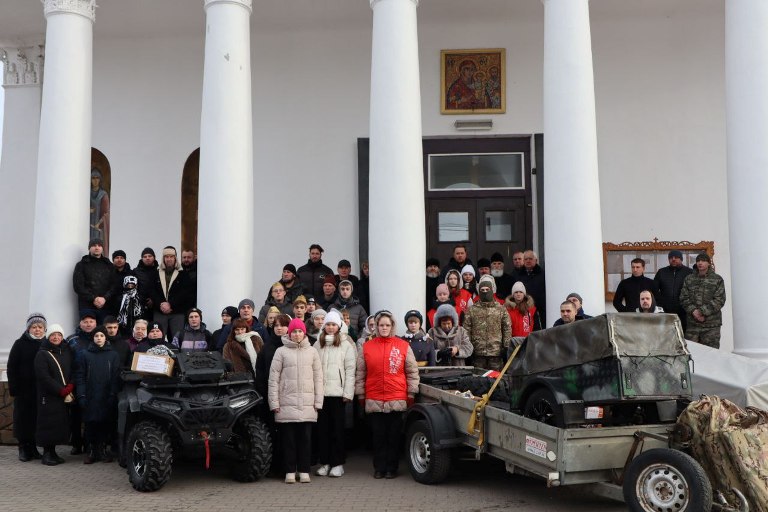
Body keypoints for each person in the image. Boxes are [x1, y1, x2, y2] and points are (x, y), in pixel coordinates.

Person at [355, 311, 419, 479]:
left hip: (396, 397)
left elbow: (412, 371)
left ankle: (392, 468)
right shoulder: (367, 346)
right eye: (381, 325)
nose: (384, 328)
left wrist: (411, 393)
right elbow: (360, 372)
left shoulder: (403, 345)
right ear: (376, 326)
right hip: (374, 397)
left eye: (387, 325)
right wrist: (361, 395)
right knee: (378, 436)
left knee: (393, 436)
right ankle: (379, 468)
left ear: (392, 326)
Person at [268, 318, 323, 484]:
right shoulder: (281, 351)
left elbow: (318, 378)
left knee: (305, 440)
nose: (297, 334)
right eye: (294, 331)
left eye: (300, 331)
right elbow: (273, 379)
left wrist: (318, 402)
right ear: (289, 333)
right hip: (286, 404)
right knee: (289, 441)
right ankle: (290, 471)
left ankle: (304, 470)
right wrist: (274, 402)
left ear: (304, 333)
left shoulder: (312, 351)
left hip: (307, 404)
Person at [313, 310, 356, 478]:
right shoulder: (318, 344)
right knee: (322, 430)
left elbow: (350, 370)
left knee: (337, 430)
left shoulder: (346, 344)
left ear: (339, 326)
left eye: (333, 324)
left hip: (338, 394)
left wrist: (348, 392)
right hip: (321, 393)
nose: (331, 327)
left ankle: (338, 463)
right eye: (328, 324)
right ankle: (325, 462)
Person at [74, 326, 121, 464]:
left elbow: (115, 376)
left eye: (101, 335)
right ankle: (91, 451)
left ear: (105, 337)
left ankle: (102, 450)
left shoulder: (113, 355)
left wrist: (113, 393)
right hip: (90, 395)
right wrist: (81, 395)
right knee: (90, 424)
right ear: (92, 338)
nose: (99, 338)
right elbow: (80, 376)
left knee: (104, 424)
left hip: (106, 395)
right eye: (96, 336)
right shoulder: (85, 354)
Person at [8, 312, 47, 461]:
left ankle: (33, 448)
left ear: (45, 329)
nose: (37, 330)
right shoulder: (20, 344)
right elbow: (12, 367)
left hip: (40, 390)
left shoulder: (46, 344)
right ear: (28, 329)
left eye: (40, 327)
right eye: (34, 327)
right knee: (23, 420)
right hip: (24, 390)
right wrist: (14, 388)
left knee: (36, 420)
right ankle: (23, 448)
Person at [34, 323, 74, 466]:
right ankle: (47, 453)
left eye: (59, 335)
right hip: (49, 395)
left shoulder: (66, 351)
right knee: (48, 424)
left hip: (62, 395)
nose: (56, 337)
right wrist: (60, 390)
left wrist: (70, 385)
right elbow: (43, 377)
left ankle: (53, 452)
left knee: (58, 424)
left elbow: (71, 369)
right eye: (53, 335)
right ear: (48, 336)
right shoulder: (42, 353)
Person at [464, 275, 512, 371]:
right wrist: (469, 348)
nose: (485, 292)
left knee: (496, 380)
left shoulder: (501, 309)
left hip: (496, 353)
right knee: (478, 380)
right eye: (482, 290)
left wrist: (506, 347)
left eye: (487, 289)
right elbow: (466, 329)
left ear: (491, 290)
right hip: (478, 353)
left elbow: (507, 328)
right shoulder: (472, 310)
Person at [679, 253, 726, 348]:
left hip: (711, 326)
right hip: (693, 325)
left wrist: (701, 312)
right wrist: (694, 311)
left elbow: (719, 299)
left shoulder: (717, 279)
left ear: (709, 263)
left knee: (711, 355)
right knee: (691, 353)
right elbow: (683, 297)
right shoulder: (689, 279)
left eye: (703, 261)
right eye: (698, 261)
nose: (700, 263)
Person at [151, 246, 194, 337]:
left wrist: (171, 304)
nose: (169, 259)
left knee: (177, 338)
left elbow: (185, 292)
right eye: (166, 257)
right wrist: (161, 304)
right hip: (160, 311)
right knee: (158, 337)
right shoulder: (156, 273)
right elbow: (152, 291)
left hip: (177, 311)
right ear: (163, 258)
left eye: (171, 256)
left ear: (175, 258)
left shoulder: (183, 274)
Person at [72, 238, 115, 323]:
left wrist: (105, 298)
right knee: (88, 331)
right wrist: (94, 298)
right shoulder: (81, 265)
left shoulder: (109, 265)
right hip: (86, 306)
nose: (97, 247)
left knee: (103, 333)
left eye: (99, 245)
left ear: (102, 248)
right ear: (89, 248)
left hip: (105, 306)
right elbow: (78, 286)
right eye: (94, 245)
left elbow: (114, 285)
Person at [654, 250, 693, 331]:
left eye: (676, 257)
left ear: (681, 259)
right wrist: (659, 305)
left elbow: (694, 292)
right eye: (671, 257)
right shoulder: (661, 272)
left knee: (683, 336)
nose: (673, 259)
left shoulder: (689, 272)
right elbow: (654, 290)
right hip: (665, 312)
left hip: (683, 312)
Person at [222, 317, 265, 382]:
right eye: (237, 329)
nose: (240, 332)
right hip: (239, 381)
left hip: (258, 378)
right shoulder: (228, 346)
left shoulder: (256, 339)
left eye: (242, 329)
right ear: (233, 331)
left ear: (246, 329)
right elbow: (227, 365)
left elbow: (264, 358)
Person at [517, 250, 547, 327]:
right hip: (524, 308)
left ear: (536, 260)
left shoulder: (544, 274)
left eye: (530, 259)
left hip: (540, 309)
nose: (528, 261)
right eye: (526, 259)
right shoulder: (518, 275)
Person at [133, 247, 158, 320]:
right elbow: (133, 289)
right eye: (145, 256)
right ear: (142, 258)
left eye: (150, 256)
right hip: (140, 306)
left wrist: (153, 300)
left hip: (156, 306)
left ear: (154, 257)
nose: (147, 258)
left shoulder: (159, 271)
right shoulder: (136, 271)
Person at [89, 169, 110, 251]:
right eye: (93, 178)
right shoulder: (86, 193)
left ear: (100, 179)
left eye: (97, 178)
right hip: (88, 225)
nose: (95, 180)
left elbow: (106, 213)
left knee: (97, 246)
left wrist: (99, 223)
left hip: (97, 227)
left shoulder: (103, 194)